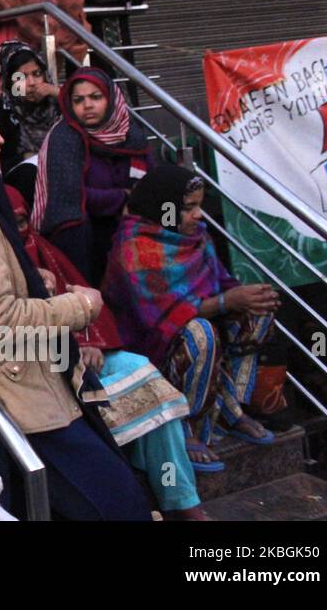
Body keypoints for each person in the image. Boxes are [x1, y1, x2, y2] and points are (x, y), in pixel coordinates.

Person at [0, 88, 150, 520]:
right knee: (120, 504)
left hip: (2, 389)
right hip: (17, 393)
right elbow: (0, 321)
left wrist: (28, 283)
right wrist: (80, 306)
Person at [7, 184, 205, 519]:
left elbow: (83, 299)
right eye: (8, 225)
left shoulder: (44, 251)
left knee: (143, 373)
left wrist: (90, 342)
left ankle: (182, 500)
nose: (18, 231)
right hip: (38, 372)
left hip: (81, 356)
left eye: (23, 221)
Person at [103, 165, 280, 473]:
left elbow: (221, 283)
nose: (200, 215)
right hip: (153, 351)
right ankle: (188, 424)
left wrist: (248, 297)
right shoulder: (133, 248)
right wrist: (227, 301)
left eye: (199, 205)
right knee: (200, 332)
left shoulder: (195, 237)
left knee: (257, 312)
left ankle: (229, 409)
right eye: (189, 208)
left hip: (194, 340)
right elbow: (164, 317)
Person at [32, 66, 151, 285]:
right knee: (74, 229)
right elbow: (72, 196)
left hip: (131, 225)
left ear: (111, 98)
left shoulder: (132, 135)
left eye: (96, 97)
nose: (87, 105)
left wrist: (146, 207)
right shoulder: (64, 137)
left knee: (169, 213)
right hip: (88, 234)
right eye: (78, 100)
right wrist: (124, 196)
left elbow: (150, 185)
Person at [0, 40, 61, 204]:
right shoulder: (0, 113)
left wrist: (59, 94)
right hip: (24, 189)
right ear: (9, 82)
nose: (31, 83)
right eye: (21, 77)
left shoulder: (57, 103)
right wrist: (25, 157)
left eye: (37, 74)